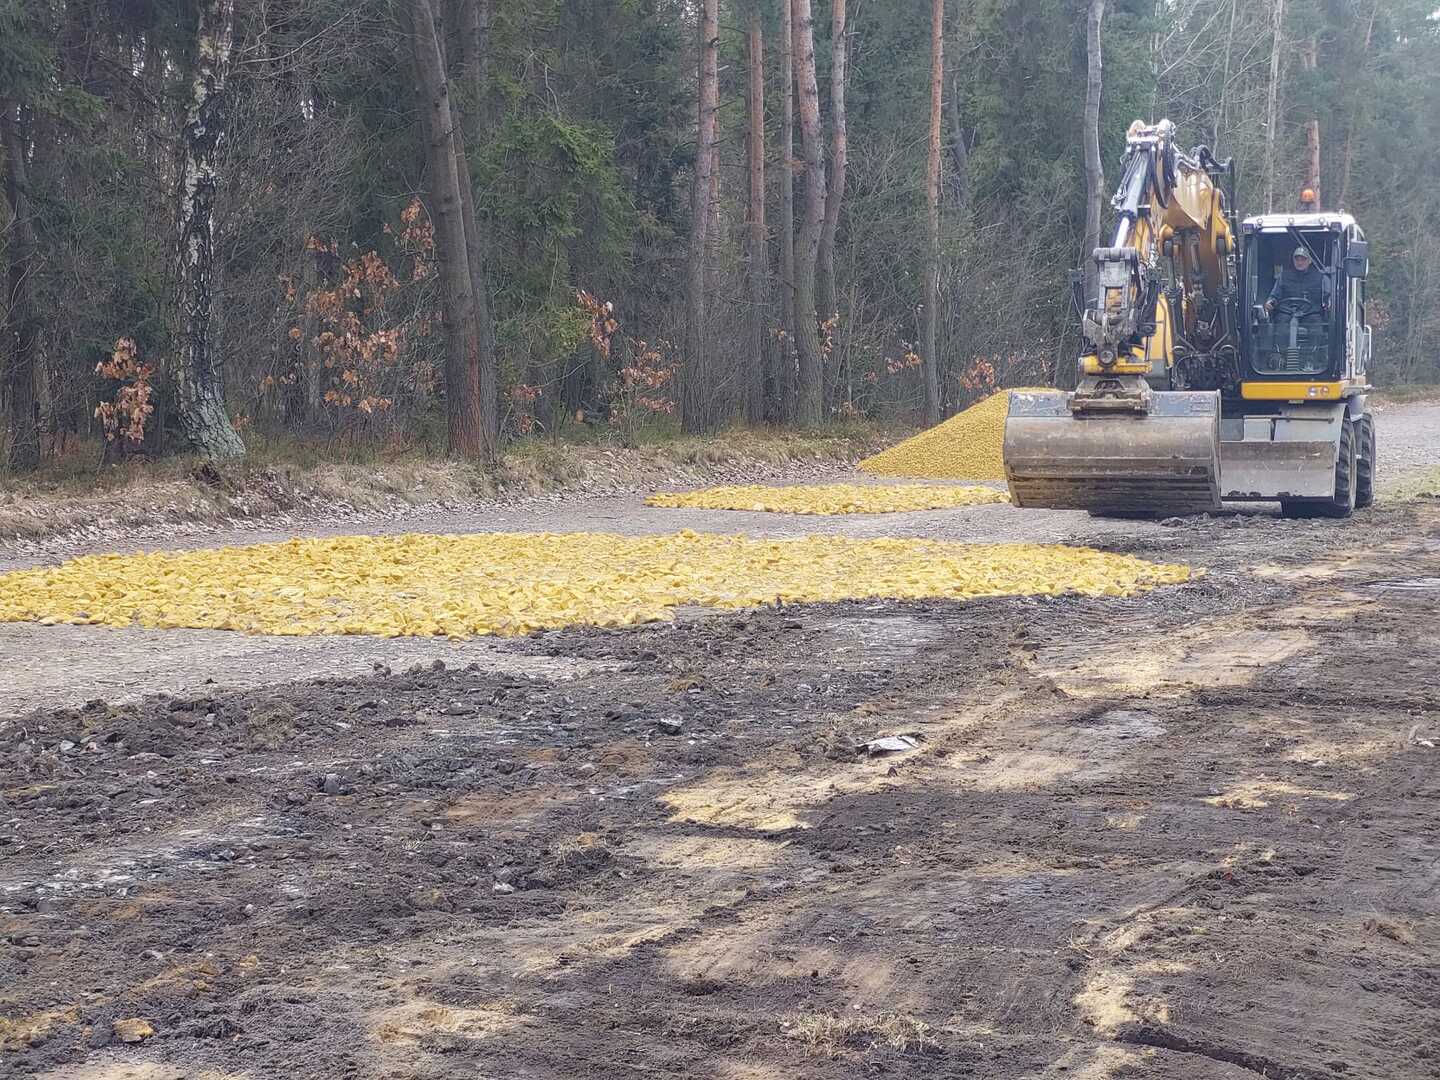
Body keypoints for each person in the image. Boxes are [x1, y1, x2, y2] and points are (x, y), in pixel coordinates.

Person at [1264, 246, 1328, 323]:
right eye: (1297, 259)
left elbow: (1328, 296)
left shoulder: (1320, 277)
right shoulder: (1283, 276)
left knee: (1316, 322)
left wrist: (1329, 303)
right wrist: (1270, 303)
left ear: (1310, 261)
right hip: (1287, 313)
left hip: (1311, 314)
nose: (1299, 262)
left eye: (1303, 259)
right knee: (1281, 321)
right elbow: (1275, 296)